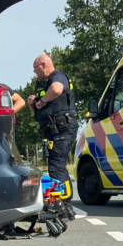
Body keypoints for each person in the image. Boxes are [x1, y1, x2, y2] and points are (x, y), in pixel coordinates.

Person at [27, 53, 77, 219]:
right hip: (52, 130)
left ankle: (62, 206)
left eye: (36, 70)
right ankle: (64, 206)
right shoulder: (42, 84)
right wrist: (33, 104)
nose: (35, 74)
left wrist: (41, 101)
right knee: (56, 166)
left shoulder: (57, 76)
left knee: (56, 166)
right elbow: (40, 110)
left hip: (63, 128)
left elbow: (56, 90)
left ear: (43, 65)